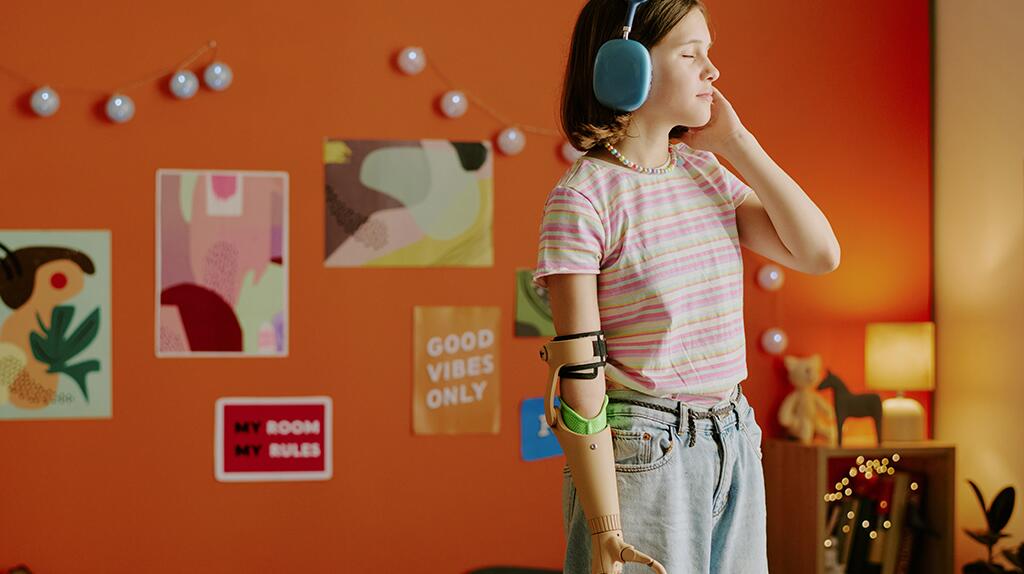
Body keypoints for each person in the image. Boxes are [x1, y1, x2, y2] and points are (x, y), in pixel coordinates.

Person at [534, 1, 841, 572]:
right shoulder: (583, 198)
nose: (712, 71)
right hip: (644, 451)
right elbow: (580, 372)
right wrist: (605, 528)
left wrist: (738, 142)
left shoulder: (706, 175)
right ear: (628, 68)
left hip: (735, 436)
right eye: (690, 53)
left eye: (709, 53)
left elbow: (819, 253)